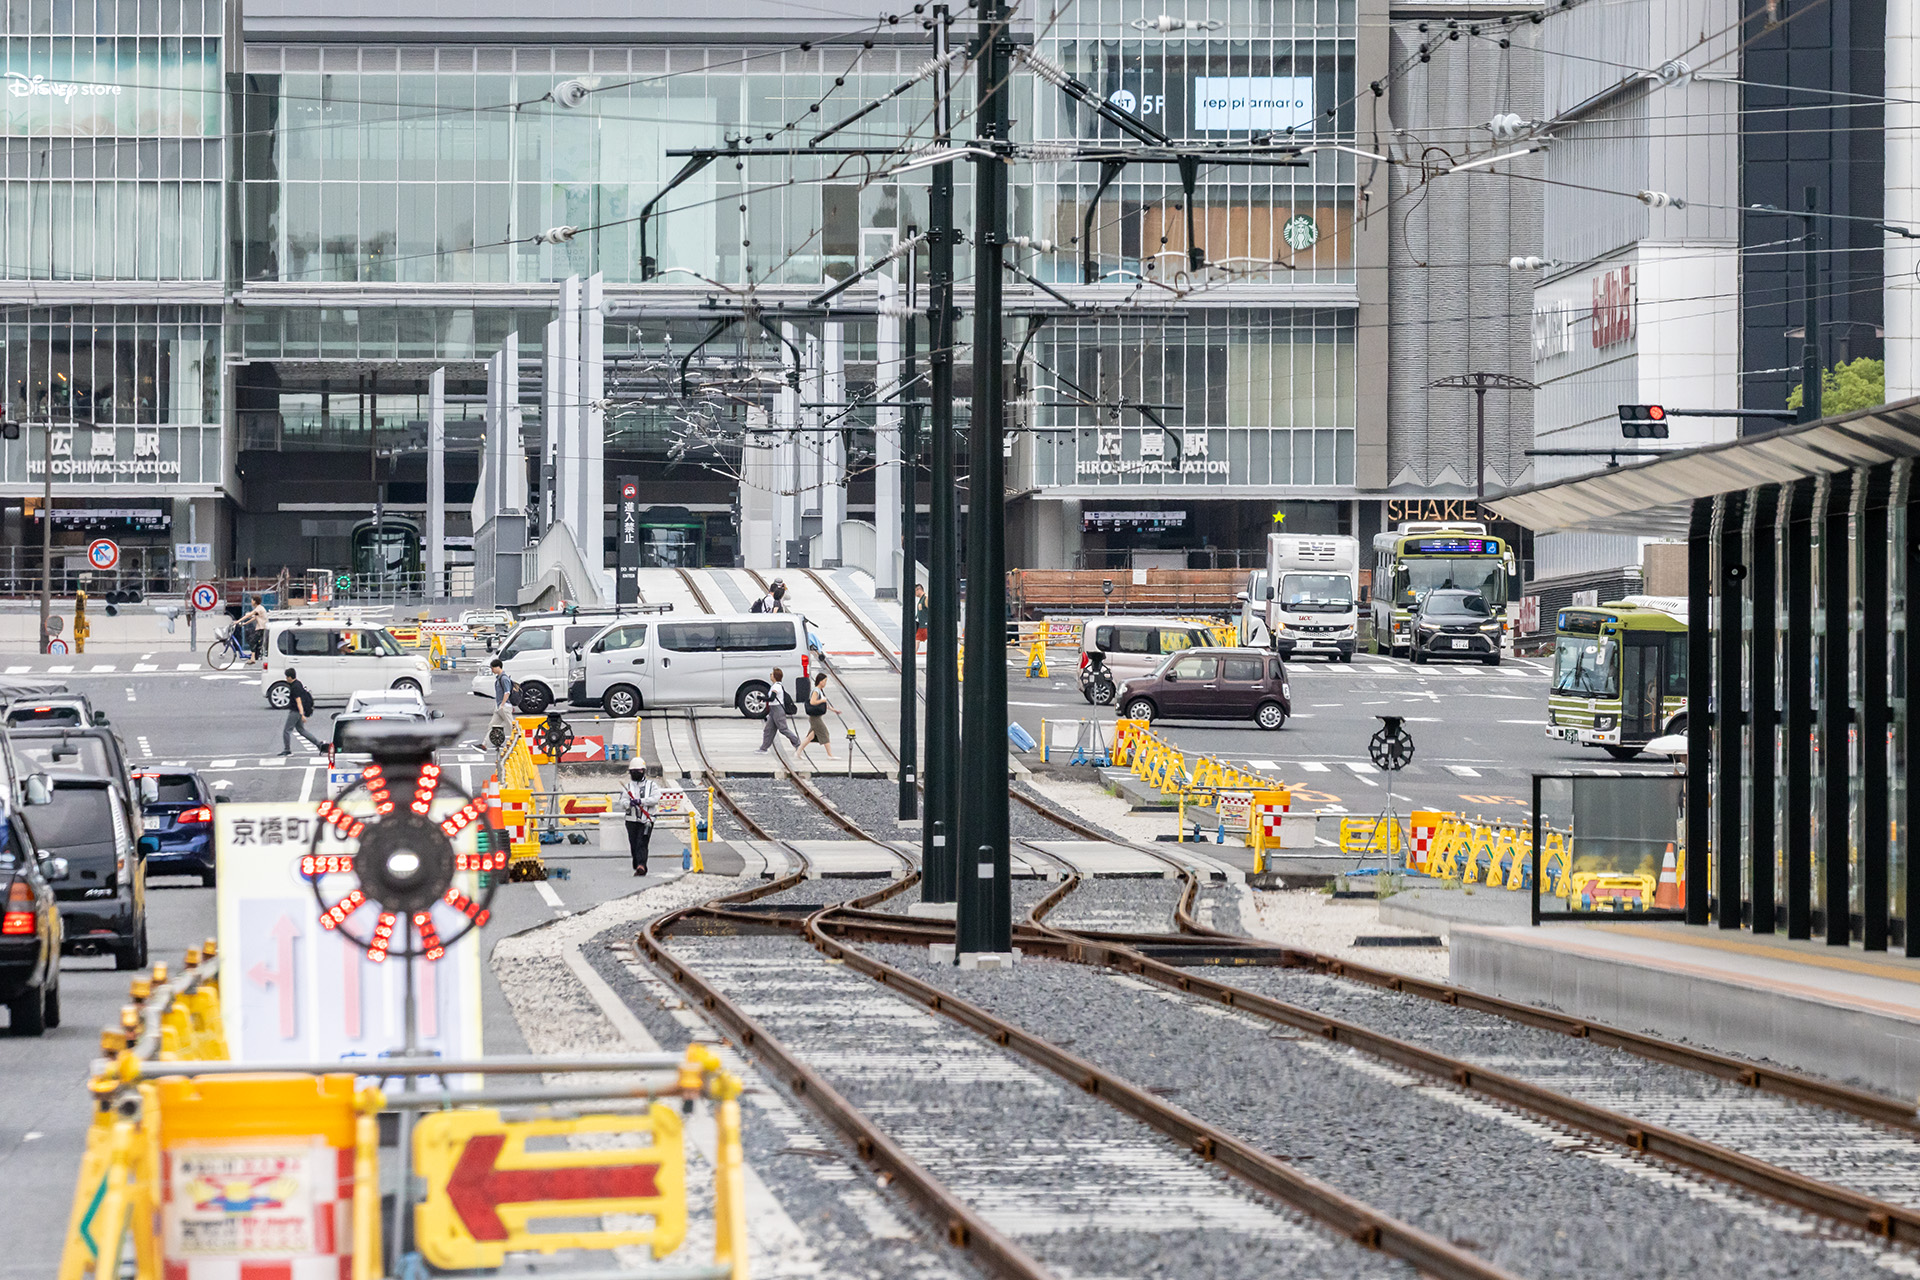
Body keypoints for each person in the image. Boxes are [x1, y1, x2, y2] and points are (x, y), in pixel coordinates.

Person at [622, 760, 661, 876]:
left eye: (638, 771)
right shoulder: (627, 787)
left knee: (642, 842)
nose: (636, 773)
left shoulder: (652, 785)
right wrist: (629, 803)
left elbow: (655, 798)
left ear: (643, 771)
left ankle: (641, 865)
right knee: (633, 843)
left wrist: (642, 801)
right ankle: (637, 863)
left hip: (647, 820)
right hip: (631, 820)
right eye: (633, 771)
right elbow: (622, 801)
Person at [797, 671, 844, 762]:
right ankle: (830, 755)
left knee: (810, 737)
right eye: (825, 681)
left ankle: (798, 752)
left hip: (816, 717)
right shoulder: (816, 691)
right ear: (820, 681)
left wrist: (834, 710)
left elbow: (823, 704)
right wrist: (822, 700)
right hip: (815, 718)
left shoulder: (819, 691)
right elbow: (813, 702)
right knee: (824, 733)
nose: (825, 683)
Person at [278, 668, 324, 755]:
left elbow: (298, 701)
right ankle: (318, 744)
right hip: (298, 711)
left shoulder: (295, 687)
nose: (286, 679)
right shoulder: (298, 683)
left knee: (286, 730)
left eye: (287, 677)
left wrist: (302, 714)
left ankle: (287, 749)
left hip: (295, 711)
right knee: (301, 730)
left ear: (290, 677)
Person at [757, 665, 801, 752]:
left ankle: (797, 743)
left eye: (771, 674)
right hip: (773, 710)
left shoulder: (776, 686)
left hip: (777, 709)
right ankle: (764, 748)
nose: (770, 675)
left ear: (775, 676)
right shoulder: (775, 686)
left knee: (783, 729)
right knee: (768, 729)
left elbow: (772, 698)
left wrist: (762, 698)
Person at [484, 657, 518, 749]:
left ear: (498, 667)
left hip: (504, 707)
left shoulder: (504, 679)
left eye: (492, 668)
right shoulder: (499, 678)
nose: (492, 670)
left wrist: (502, 705)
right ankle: (484, 744)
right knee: (491, 725)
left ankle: (518, 743)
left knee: (511, 726)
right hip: (500, 707)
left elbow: (507, 692)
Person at [913, 583, 929, 653]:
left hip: (926, 624)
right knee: (917, 639)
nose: (915, 594)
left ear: (919, 590)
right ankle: (913, 653)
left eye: (915, 591)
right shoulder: (921, 599)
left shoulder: (925, 598)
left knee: (922, 639)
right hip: (921, 624)